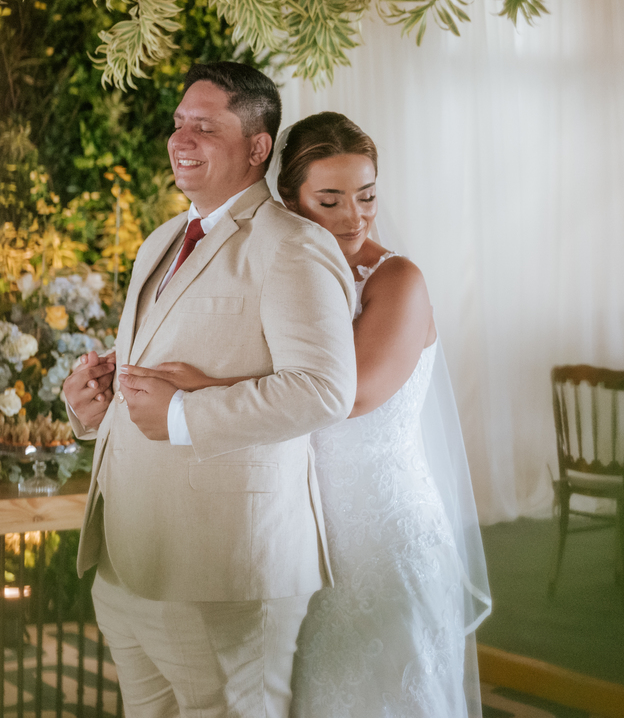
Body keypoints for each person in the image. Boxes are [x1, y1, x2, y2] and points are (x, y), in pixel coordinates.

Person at [125, 112, 491, 717]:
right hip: (297, 530)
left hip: (379, 532)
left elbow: (350, 395)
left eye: (366, 195)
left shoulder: (398, 280)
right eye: (331, 200)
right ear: (291, 202)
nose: (355, 216)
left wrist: (204, 388)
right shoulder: (282, 271)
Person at [61, 64, 357, 718]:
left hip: (225, 567)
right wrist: (95, 404)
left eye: (205, 126)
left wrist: (183, 415)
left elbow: (324, 389)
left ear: (257, 146)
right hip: (129, 560)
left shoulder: (292, 245)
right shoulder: (161, 240)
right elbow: (159, 370)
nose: (181, 139)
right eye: (178, 124)